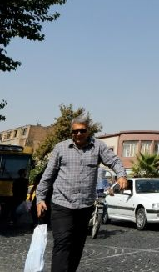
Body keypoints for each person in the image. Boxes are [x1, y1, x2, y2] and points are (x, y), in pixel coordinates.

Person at [36, 115, 127, 272]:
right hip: (62, 205)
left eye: (82, 130)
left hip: (84, 207)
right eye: (75, 131)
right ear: (71, 132)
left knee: (77, 246)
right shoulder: (60, 148)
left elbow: (114, 161)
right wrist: (40, 199)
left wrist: (122, 175)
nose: (78, 134)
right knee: (62, 244)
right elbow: (48, 175)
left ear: (88, 130)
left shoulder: (98, 147)